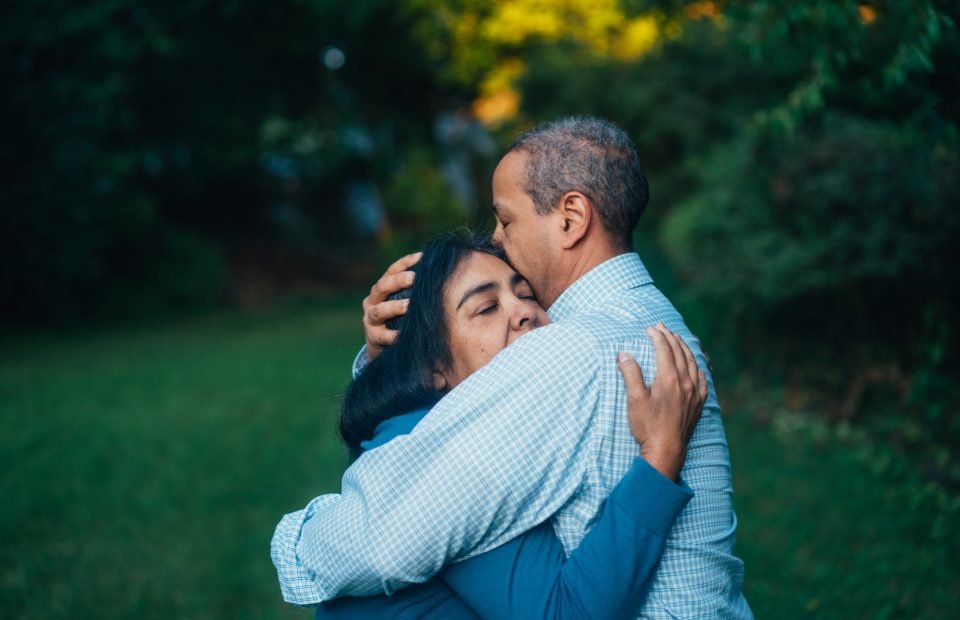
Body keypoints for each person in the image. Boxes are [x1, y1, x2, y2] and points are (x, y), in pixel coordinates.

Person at [273, 116, 752, 618]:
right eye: (485, 306)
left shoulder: (567, 351)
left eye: (506, 220)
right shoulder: (659, 326)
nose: (498, 240)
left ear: (570, 217)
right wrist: (388, 356)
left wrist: (298, 536)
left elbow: (379, 540)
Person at [309, 231, 705, 618]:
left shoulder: (457, 424)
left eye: (526, 293)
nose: (524, 311)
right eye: (486, 308)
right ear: (433, 367)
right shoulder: (453, 458)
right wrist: (660, 456)